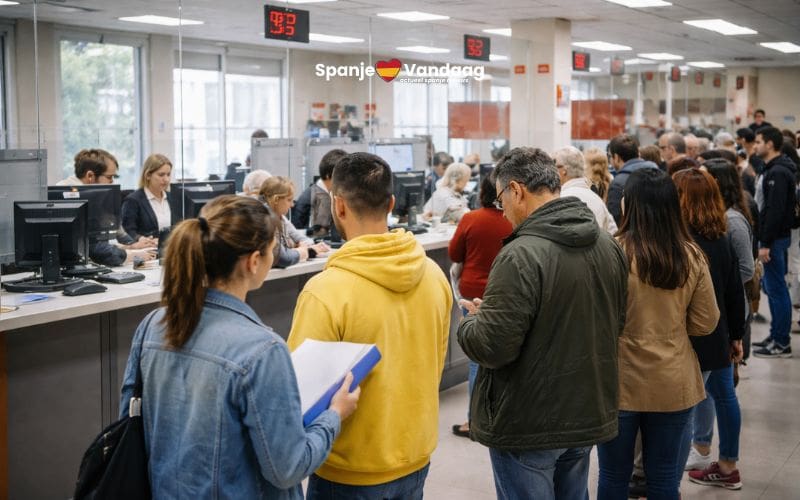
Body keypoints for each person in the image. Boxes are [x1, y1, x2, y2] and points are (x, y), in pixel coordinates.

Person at [118, 195, 360, 498]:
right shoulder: (262, 350)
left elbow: (131, 425)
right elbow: (289, 468)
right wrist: (335, 414)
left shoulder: (153, 325)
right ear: (254, 261)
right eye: (273, 250)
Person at [457, 147, 628, 500]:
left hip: (528, 421)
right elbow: (616, 320)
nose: (501, 209)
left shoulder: (520, 253)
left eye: (502, 197)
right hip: (587, 409)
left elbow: (492, 346)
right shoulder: (606, 244)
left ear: (517, 190)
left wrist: (472, 323)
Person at [287, 152, 452, 498]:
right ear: (391, 203)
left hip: (348, 471)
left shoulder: (325, 291)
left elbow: (297, 396)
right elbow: (434, 364)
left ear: (339, 207)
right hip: (415, 455)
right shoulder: (434, 276)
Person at [597, 168, 719, 499]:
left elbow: (594, 316)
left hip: (617, 379)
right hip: (673, 379)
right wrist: (673, 329)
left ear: (629, 206)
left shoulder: (611, 251)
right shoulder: (691, 255)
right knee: (665, 479)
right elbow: (706, 321)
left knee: (612, 475)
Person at [672, 168, 745, 490]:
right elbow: (734, 293)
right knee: (725, 397)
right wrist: (737, 337)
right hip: (720, 335)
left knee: (683, 410)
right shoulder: (721, 237)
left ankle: (668, 479)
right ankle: (728, 465)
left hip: (691, 338)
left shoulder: (682, 243)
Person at [448, 172, 512, 438]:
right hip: (503, 292)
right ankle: (499, 416)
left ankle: (474, 421)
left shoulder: (471, 219)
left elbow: (454, 254)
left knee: (476, 360)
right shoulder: (513, 222)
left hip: (472, 293)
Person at [58, 149, 157, 266]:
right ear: (90, 176)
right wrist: (133, 253)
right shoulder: (70, 198)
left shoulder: (95, 195)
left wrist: (135, 245)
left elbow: (118, 233)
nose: (112, 182)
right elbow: (95, 248)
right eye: (109, 177)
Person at [752, 127, 797, 358]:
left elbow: (774, 211)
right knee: (774, 288)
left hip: (775, 239)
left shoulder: (778, 172)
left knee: (777, 290)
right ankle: (775, 334)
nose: (755, 145)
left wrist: (765, 242)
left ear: (770, 144)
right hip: (773, 238)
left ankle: (781, 342)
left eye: (759, 142)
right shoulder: (771, 169)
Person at [259, 176, 329, 268]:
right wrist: (303, 250)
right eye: (289, 200)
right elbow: (283, 258)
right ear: (276, 199)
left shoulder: (281, 218)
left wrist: (296, 246)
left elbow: (304, 240)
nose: (292, 205)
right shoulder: (262, 218)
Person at [554, 146, 618, 234]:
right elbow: (613, 232)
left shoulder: (560, 199)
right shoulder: (597, 200)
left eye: (555, 165)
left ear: (564, 170)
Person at [292, 148, 347, 236]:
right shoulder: (314, 196)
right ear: (328, 175)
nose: (345, 180)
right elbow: (315, 232)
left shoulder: (326, 193)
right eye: (341, 176)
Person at [121, 154, 175, 242]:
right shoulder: (133, 200)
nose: (166, 179)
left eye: (168, 174)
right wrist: (141, 239)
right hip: (147, 251)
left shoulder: (172, 198)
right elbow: (128, 231)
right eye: (161, 175)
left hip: (171, 249)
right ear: (148, 175)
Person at [607, 134, 659, 225]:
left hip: (633, 237)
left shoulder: (618, 184)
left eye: (610, 156)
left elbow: (616, 222)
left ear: (617, 157)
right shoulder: (658, 174)